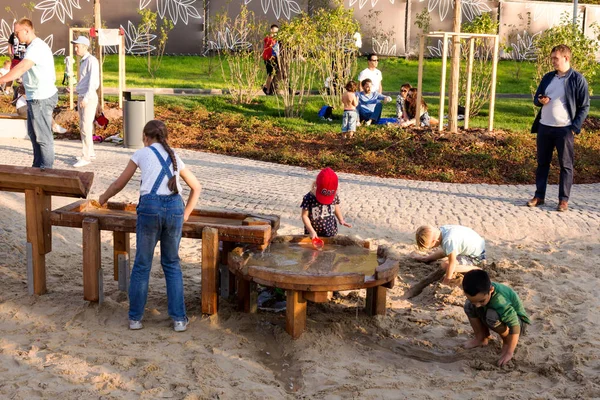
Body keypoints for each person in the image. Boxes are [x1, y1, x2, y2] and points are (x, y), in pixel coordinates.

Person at [98, 120, 201, 332]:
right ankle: (179, 320)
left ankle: (135, 318)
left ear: (146, 137)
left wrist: (102, 198)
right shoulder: (175, 157)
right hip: (174, 210)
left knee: (143, 264)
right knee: (172, 264)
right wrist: (186, 214)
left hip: (149, 210)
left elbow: (120, 183)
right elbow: (196, 187)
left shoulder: (141, 154)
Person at [528, 44, 590, 212]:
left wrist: (574, 127)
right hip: (544, 127)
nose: (553, 61)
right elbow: (536, 97)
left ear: (566, 58)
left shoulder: (577, 79)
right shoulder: (548, 77)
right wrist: (540, 100)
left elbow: (585, 106)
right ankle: (539, 196)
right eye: (552, 58)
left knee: (566, 165)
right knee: (542, 163)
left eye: (555, 58)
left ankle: (563, 200)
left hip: (564, 129)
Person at [0, 18, 58, 169]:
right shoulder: (31, 46)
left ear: (27, 30)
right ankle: (37, 169)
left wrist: (2, 80)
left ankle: (46, 173)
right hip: (34, 97)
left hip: (41, 98)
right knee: (34, 136)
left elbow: (22, 67)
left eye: (17, 32)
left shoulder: (36, 47)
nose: (15, 36)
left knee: (43, 137)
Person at [462, 269, 531, 367]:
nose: (477, 305)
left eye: (481, 301)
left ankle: (506, 341)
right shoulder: (480, 291)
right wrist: (475, 303)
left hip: (519, 323)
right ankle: (481, 338)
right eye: (474, 301)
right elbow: (476, 304)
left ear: (491, 290)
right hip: (495, 313)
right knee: (469, 306)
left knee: (492, 315)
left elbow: (514, 325)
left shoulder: (500, 301)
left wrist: (509, 352)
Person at [410, 224, 486, 285]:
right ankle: (426, 258)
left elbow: (452, 263)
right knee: (444, 251)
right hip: (473, 245)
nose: (432, 248)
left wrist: (446, 281)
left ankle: (475, 268)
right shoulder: (442, 230)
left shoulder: (448, 241)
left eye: (431, 246)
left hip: (475, 257)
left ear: (434, 241)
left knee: (445, 265)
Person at [71, 36, 100, 168]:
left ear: (84, 46)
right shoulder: (84, 61)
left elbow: (93, 81)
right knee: (84, 126)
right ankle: (91, 152)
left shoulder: (91, 60)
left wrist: (86, 98)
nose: (75, 48)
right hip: (82, 95)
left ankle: (86, 156)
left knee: (85, 127)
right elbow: (84, 80)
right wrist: (76, 88)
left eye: (77, 46)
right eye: (75, 46)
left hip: (87, 97)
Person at [301, 167, 352, 239]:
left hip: (330, 230)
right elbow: (304, 216)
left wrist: (341, 219)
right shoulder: (308, 198)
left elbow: (336, 207)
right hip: (313, 232)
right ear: (315, 185)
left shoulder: (334, 196)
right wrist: (311, 231)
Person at [262, 24, 279, 95]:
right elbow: (267, 41)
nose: (275, 33)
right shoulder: (268, 38)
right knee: (270, 74)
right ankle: (267, 89)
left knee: (274, 74)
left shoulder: (276, 39)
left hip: (273, 58)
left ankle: (267, 87)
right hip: (267, 58)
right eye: (274, 31)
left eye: (276, 32)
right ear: (271, 30)